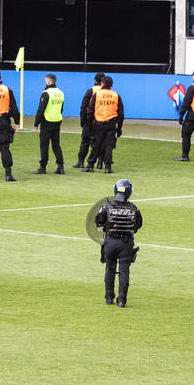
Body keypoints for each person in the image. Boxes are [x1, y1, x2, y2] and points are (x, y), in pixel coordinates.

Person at [95, 178, 143, 307]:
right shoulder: (134, 208)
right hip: (126, 244)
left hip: (110, 242)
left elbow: (98, 221)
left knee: (109, 269)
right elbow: (138, 225)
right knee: (124, 271)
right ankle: (122, 300)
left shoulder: (106, 207)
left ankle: (109, 297)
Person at [87, 75, 124, 173]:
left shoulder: (97, 95)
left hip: (99, 123)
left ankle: (90, 165)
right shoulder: (116, 95)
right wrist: (119, 128)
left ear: (102, 84)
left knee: (96, 144)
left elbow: (90, 111)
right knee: (109, 145)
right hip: (111, 124)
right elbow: (121, 114)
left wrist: (89, 125)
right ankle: (107, 167)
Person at [33, 74, 66, 174]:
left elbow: (41, 110)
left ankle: (43, 167)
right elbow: (61, 108)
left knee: (44, 145)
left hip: (47, 122)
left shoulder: (46, 93)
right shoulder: (60, 93)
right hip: (57, 120)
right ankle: (61, 167)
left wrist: (36, 123)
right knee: (56, 145)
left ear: (48, 81)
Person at [74, 72, 103, 168]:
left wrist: (82, 120)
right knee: (99, 142)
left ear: (95, 80)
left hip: (90, 120)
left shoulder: (91, 90)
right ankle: (99, 162)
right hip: (102, 120)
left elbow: (83, 106)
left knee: (85, 141)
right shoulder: (108, 92)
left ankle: (81, 162)